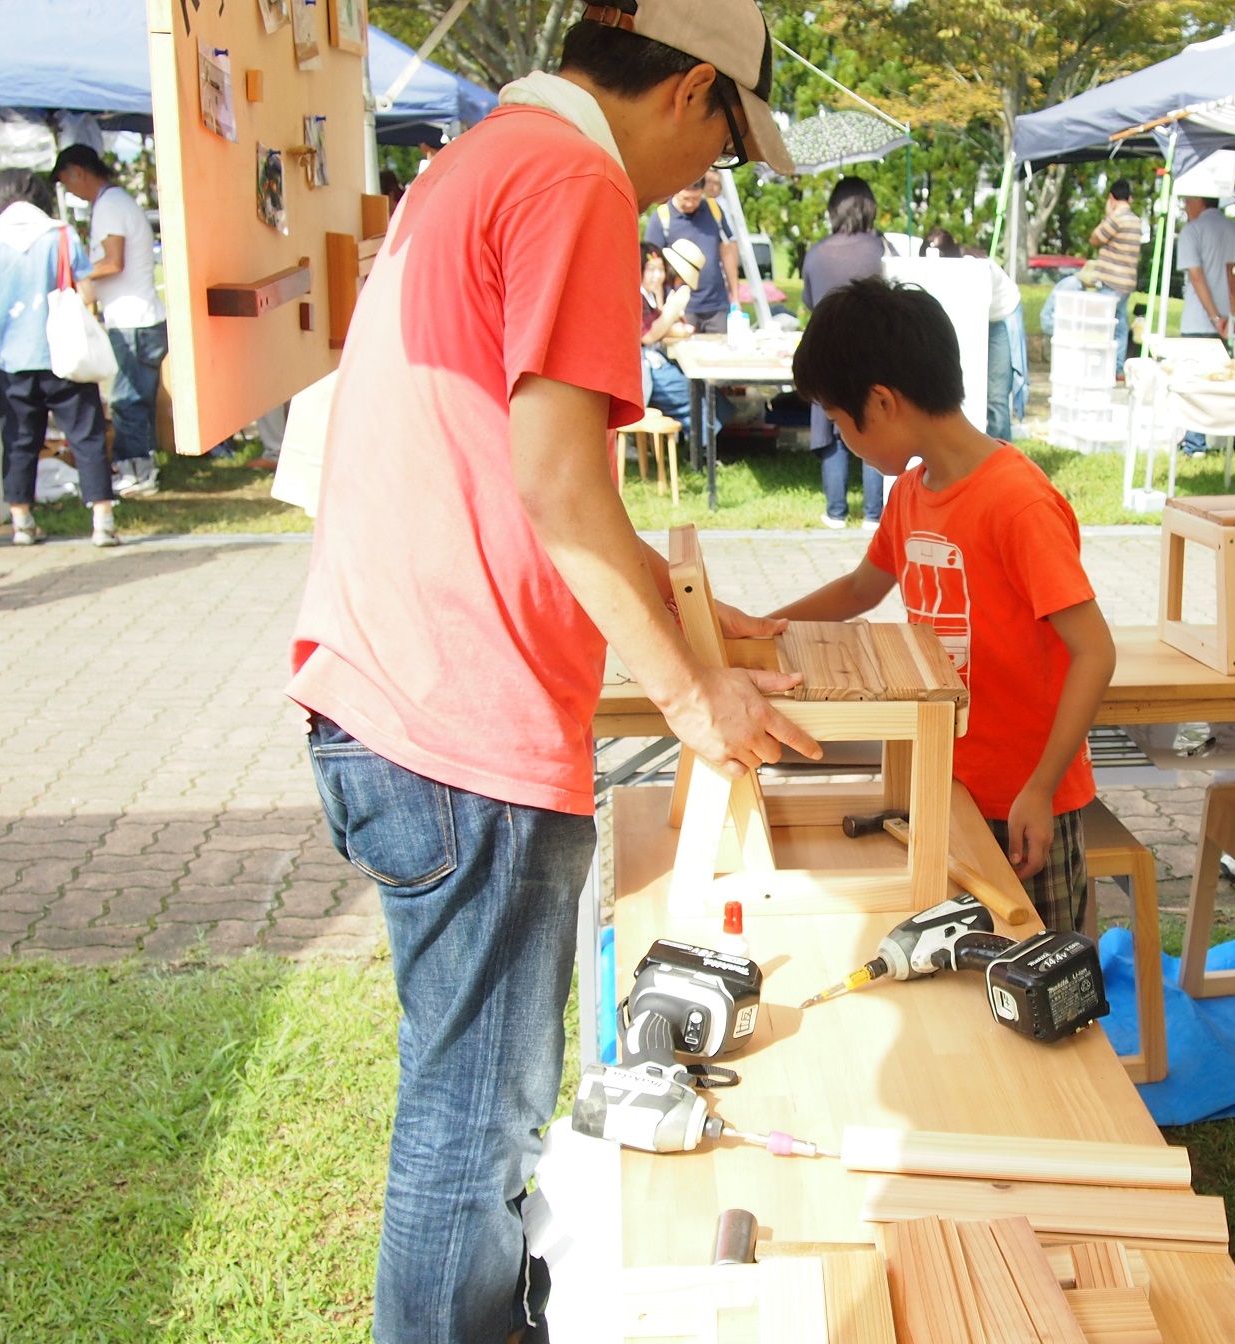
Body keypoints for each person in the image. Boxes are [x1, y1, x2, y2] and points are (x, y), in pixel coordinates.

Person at [285, 4, 816, 1341]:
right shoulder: (578, 183)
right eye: (722, 147)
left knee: (465, 1099)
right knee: (475, 1122)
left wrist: (687, 619)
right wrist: (697, 701)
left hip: (390, 691)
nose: (704, 182)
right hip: (457, 718)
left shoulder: (490, 155)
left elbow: (556, 486)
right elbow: (563, 495)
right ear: (691, 89)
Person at [771, 277, 1116, 931]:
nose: (843, 440)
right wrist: (768, 627)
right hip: (944, 784)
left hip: (1022, 797)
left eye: (843, 424)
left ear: (882, 402)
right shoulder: (911, 494)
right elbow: (859, 589)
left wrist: (1041, 789)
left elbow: (1094, 653)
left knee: (1037, 968)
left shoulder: (1017, 503)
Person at [0, 169, 118, 547]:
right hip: (65, 356)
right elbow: (86, 292)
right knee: (86, 436)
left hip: (14, 360)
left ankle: (22, 521)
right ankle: (102, 519)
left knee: (19, 440)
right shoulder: (61, 235)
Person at [53, 143, 167, 498]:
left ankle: (137, 470)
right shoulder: (117, 202)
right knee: (136, 397)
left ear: (78, 172)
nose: (71, 191)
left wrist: (75, 274)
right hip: (139, 316)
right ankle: (142, 465)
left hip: (132, 320)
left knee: (127, 399)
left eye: (67, 183)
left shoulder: (108, 206)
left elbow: (113, 261)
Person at [799, 176, 888, 528]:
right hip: (874, 354)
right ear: (870, 209)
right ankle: (873, 514)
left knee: (832, 428)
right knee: (874, 427)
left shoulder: (816, 253)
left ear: (833, 210)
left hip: (827, 352)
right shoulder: (883, 251)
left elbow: (808, 301)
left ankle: (835, 512)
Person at [921, 225, 1023, 442]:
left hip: (1000, 318)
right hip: (975, 319)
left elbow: (971, 314)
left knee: (995, 395)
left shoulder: (976, 269)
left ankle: (1001, 454)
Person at [1175, 194, 1235, 453]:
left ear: (1200, 200)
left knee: (1197, 385)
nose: (1186, 206)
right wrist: (1233, 318)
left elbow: (1196, 276)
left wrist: (1215, 316)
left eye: (1188, 200)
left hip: (1202, 321)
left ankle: (1195, 444)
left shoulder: (1192, 231)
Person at [1040, 179, 1144, 376]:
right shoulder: (1136, 220)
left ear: (1112, 197)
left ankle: (1100, 368)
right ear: (1129, 197)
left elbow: (1095, 238)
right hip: (1127, 282)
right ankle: (1118, 368)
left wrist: (1107, 214)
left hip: (1111, 281)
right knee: (1120, 325)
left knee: (1101, 326)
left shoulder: (1117, 218)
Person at [645, 177, 738, 333]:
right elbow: (653, 266)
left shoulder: (713, 210)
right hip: (680, 307)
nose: (690, 203)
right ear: (675, 193)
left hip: (716, 305)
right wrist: (661, 309)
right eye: (685, 198)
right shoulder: (661, 218)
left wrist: (735, 295)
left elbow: (727, 251)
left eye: (695, 198)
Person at [640, 240, 695, 435]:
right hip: (644, 370)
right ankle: (707, 445)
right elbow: (648, 336)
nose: (657, 276)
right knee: (691, 392)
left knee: (696, 386)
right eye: (650, 270)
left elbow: (662, 327)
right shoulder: (637, 296)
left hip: (655, 361)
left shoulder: (651, 296)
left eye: (660, 269)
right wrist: (672, 310)